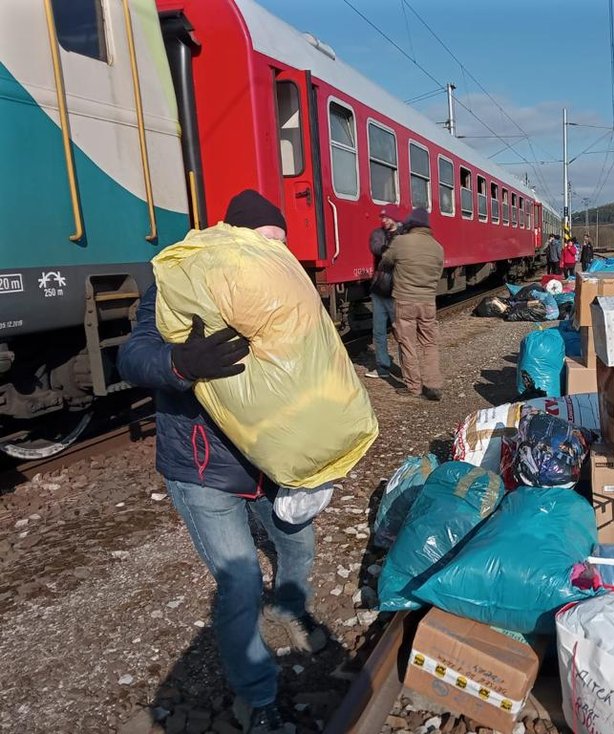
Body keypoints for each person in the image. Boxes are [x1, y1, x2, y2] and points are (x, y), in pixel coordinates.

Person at [118, 190, 326, 734]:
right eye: (264, 241)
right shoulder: (179, 282)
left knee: (297, 541)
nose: (273, 253)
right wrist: (179, 362)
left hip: (273, 458)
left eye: (280, 244)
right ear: (231, 239)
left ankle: (288, 608)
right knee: (238, 581)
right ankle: (257, 697)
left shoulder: (285, 288)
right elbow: (132, 356)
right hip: (203, 464)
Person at [381, 207, 445, 401]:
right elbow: (439, 273)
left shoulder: (401, 242)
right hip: (428, 302)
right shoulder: (437, 247)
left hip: (405, 301)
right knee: (429, 343)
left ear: (411, 224)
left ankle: (414, 387)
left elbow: (385, 262)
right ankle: (433, 385)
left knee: (407, 343)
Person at [365, 205, 402, 379]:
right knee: (379, 331)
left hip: (398, 290)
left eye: (387, 218)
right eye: (383, 218)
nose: (384, 221)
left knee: (401, 330)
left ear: (395, 218)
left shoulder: (405, 234)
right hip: (380, 289)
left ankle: (407, 368)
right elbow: (377, 249)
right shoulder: (377, 234)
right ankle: (382, 367)